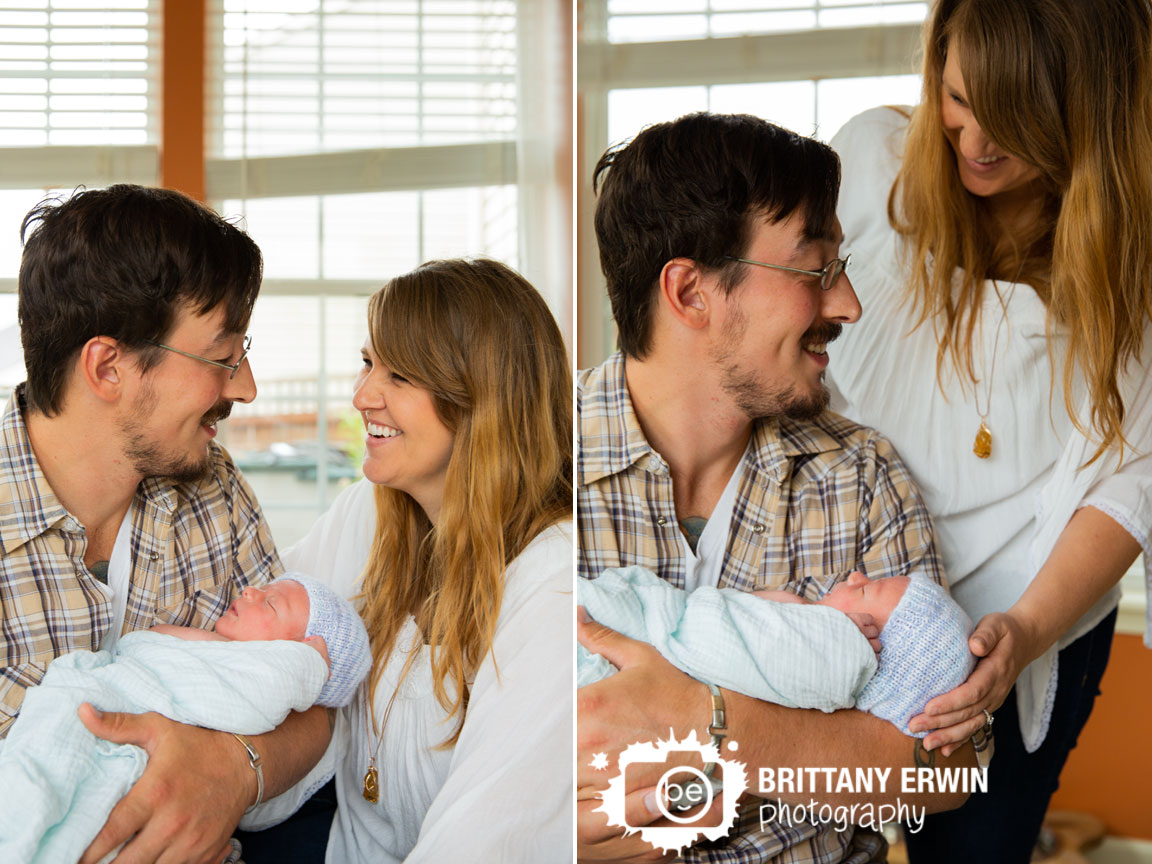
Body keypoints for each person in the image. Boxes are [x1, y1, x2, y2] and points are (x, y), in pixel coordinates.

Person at [577, 111, 975, 864]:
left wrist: (716, 726)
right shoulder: (534, 467)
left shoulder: (863, 476)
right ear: (691, 291)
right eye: (815, 268)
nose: (848, 303)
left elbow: (952, 769)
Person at [825, 0, 1152, 859]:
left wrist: (1026, 633)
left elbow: (1135, 481)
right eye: (958, 97)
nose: (972, 143)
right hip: (840, 610)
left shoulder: (1132, 268)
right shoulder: (866, 166)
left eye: (1015, 121)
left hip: (1018, 635)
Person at [0, 184, 331, 864]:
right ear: (109, 367)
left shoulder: (214, 489)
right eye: (221, 357)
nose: (245, 388)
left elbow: (310, 705)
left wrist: (233, 771)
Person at [241, 258, 573, 863]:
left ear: (482, 397)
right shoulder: (369, 513)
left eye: (399, 375)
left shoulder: (553, 583)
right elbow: (247, 622)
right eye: (369, 363)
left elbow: (484, 842)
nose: (362, 396)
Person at [0, 574, 370, 864]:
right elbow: (149, 644)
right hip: (96, 702)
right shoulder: (223, 655)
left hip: (122, 751)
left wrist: (311, 667)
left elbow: (294, 687)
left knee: (46, 800)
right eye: (262, 588)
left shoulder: (266, 676)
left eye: (271, 602)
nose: (250, 591)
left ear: (300, 654)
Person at [579, 569, 976, 738]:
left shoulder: (828, 655)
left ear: (867, 650)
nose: (855, 576)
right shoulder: (799, 636)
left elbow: (709, 640)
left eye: (864, 591)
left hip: (633, 640)